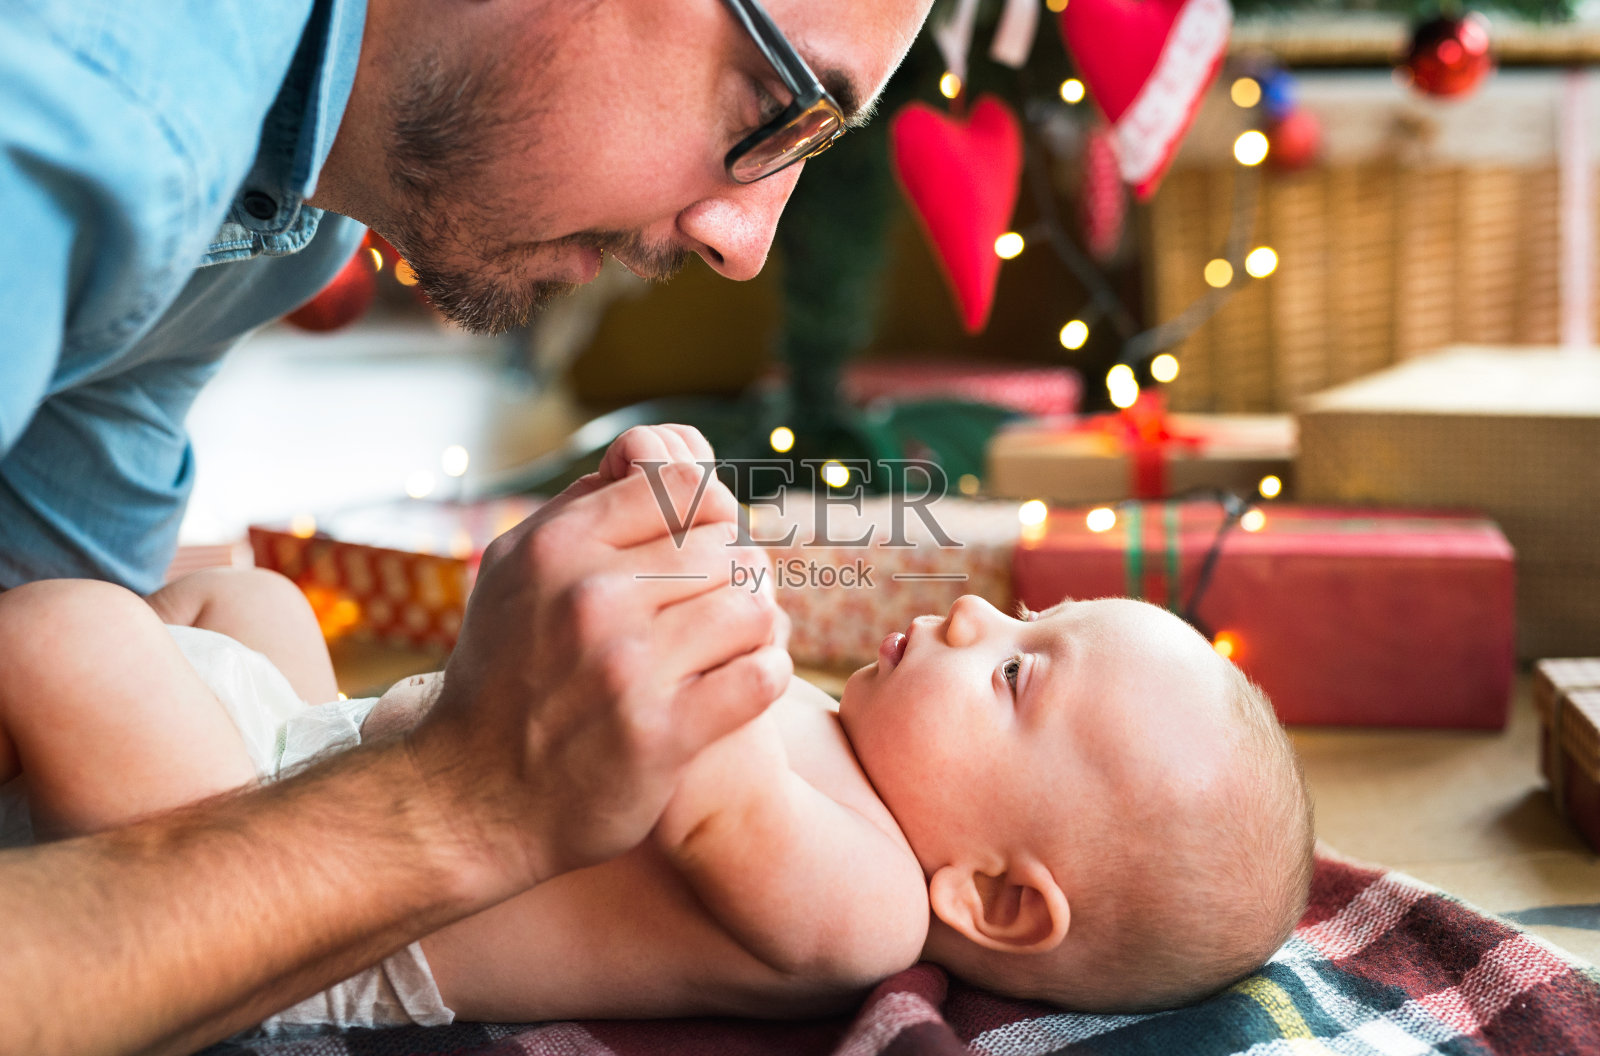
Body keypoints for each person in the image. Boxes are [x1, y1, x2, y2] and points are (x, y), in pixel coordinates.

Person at [2, 0, 930, 1049]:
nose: (746, 244)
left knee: (120, 625)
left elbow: (57, 559)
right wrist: (465, 798)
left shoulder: (297, 218)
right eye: (775, 102)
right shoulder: (94, 107)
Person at [0, 429, 1316, 1032]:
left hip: (307, 925)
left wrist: (700, 555)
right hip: (327, 758)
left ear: (993, 899)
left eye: (1017, 675)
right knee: (255, 600)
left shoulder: (865, 909)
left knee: (67, 638)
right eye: (1025, 613)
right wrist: (645, 526)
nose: (976, 616)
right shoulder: (842, 742)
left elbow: (703, 789)